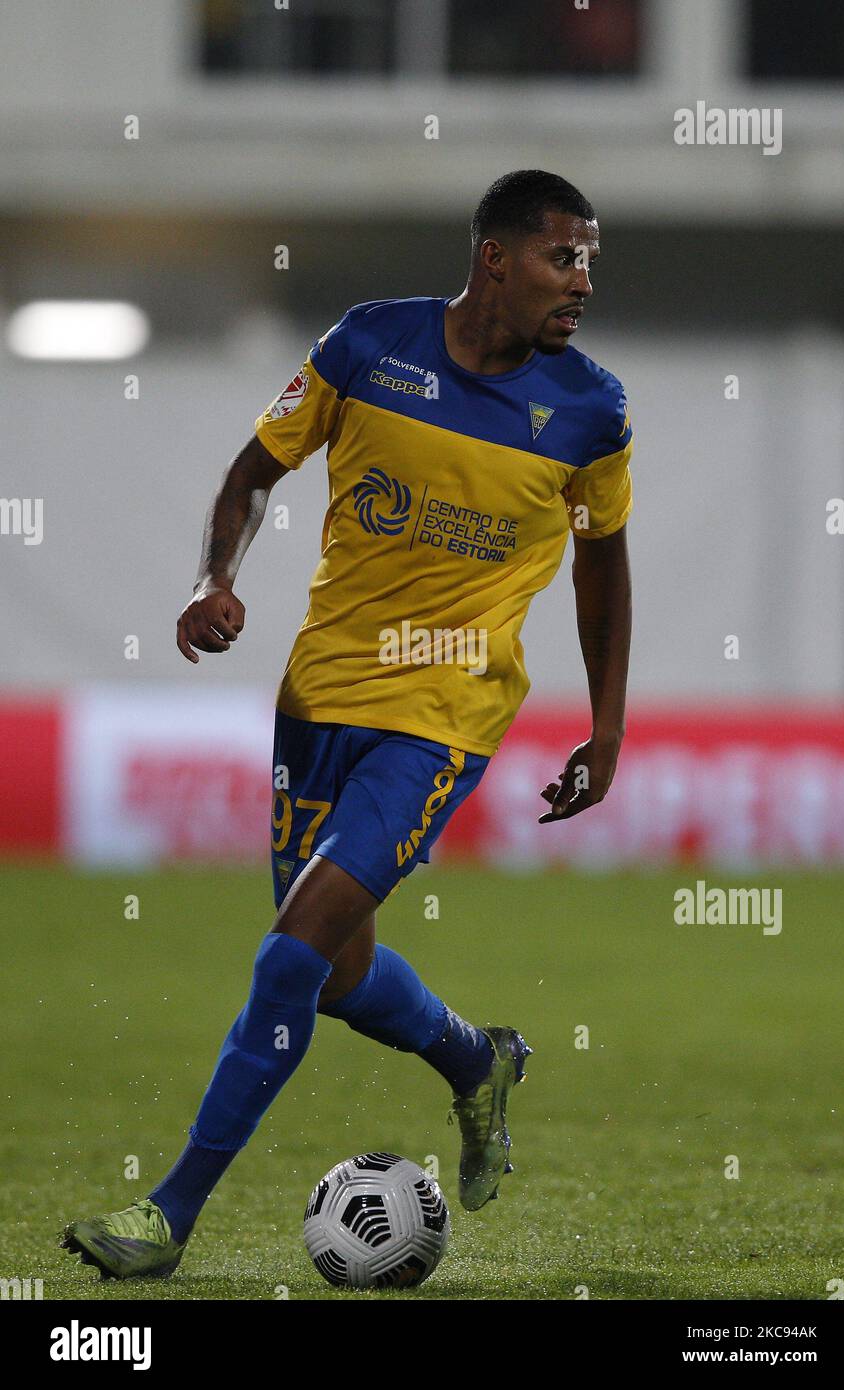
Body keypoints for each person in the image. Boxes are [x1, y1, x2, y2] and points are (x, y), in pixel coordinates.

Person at [62, 169, 633, 1280]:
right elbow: (252, 471)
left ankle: (168, 1218)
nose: (583, 282)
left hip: (444, 716)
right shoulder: (368, 346)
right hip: (319, 698)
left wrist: (607, 728)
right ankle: (476, 1058)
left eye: (590, 260)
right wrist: (211, 579)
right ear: (496, 259)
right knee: (330, 971)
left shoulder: (590, 411)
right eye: (566, 258)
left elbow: (602, 574)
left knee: (286, 963)